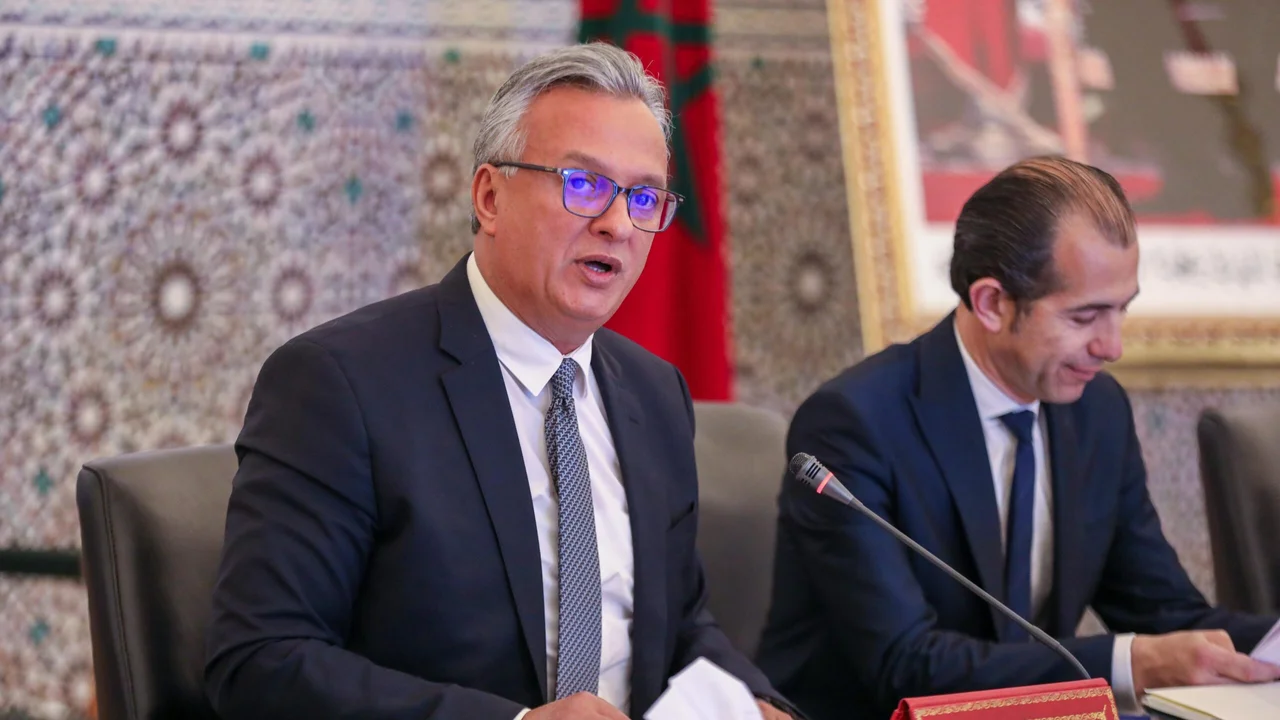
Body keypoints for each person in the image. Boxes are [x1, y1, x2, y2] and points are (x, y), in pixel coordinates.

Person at [205, 42, 796, 720]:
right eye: (583, 185)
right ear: (489, 197)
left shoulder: (654, 393)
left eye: (643, 197)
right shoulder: (340, 386)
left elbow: (679, 623)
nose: (617, 225)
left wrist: (758, 703)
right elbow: (259, 661)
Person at [755, 156, 1280, 720]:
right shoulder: (855, 423)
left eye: (1122, 310)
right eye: (1085, 318)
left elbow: (1166, 615)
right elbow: (904, 665)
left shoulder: (1097, 411)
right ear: (992, 303)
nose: (1112, 346)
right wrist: (1132, 664)